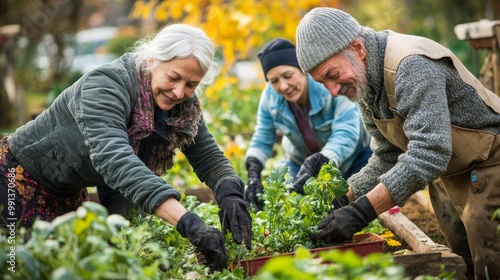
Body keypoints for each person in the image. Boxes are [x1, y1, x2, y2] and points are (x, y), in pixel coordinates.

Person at [0, 23, 252, 271]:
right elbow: (117, 161)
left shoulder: (183, 107)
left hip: (68, 192)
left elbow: (207, 155)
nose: (178, 92)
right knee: (19, 267)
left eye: (191, 84)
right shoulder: (104, 86)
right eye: (173, 78)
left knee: (98, 264)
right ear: (152, 60)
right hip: (15, 181)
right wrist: (188, 223)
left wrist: (229, 192)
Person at [295, 7, 500, 279]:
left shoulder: (412, 65)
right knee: (461, 264)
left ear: (357, 48)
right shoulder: (366, 82)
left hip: (489, 163)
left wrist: (362, 212)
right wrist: (343, 199)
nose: (333, 91)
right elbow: (387, 154)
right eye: (323, 83)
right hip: (450, 170)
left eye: (333, 75)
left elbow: (429, 153)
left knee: (491, 265)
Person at [244, 38, 372, 210]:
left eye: (288, 76)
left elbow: (346, 133)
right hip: (300, 163)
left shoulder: (329, 86)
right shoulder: (270, 98)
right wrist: (253, 173)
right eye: (274, 81)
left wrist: (321, 160)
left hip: (352, 159)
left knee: (352, 201)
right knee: (286, 198)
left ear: (303, 71)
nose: (283, 86)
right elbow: (263, 136)